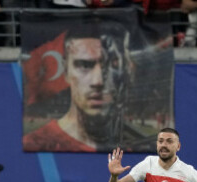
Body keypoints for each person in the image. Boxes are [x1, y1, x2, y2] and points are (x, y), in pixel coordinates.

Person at [22, 24, 132, 153]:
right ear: (65, 71)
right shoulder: (37, 144)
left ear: (125, 70)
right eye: (84, 65)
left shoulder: (130, 150)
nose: (98, 81)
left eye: (112, 64)